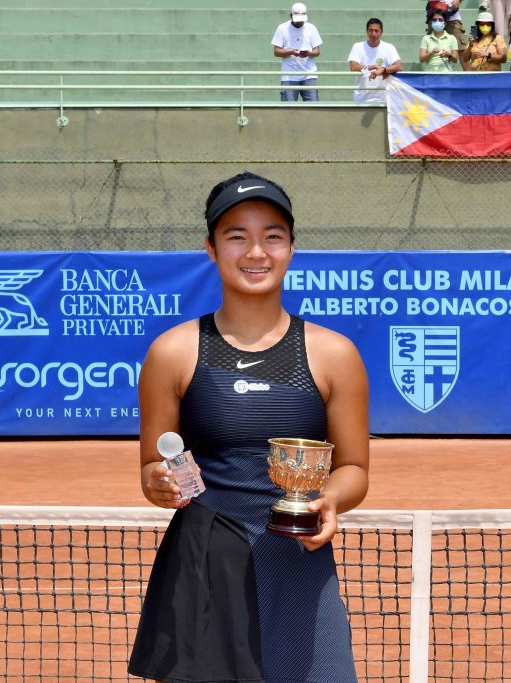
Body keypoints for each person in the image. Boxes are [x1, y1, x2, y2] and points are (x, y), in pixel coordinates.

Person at [128, 172, 370, 683]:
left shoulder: (335, 355)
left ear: (291, 247)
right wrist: (158, 481)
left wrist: (327, 501)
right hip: (205, 570)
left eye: (272, 236)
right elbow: (155, 464)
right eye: (236, 235)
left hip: (300, 561)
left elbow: (353, 468)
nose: (255, 251)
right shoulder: (173, 353)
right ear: (211, 249)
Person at [271, 2, 323, 102]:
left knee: (313, 109)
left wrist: (308, 53)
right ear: (291, 15)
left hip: (309, 74)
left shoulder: (311, 28)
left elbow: (317, 51)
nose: (299, 23)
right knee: (288, 110)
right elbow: (276, 51)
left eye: (301, 20)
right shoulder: (282, 28)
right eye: (297, 20)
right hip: (289, 75)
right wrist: (290, 52)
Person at [347, 17, 403, 103]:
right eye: (370, 30)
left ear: (381, 32)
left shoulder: (389, 47)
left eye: (376, 31)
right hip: (361, 98)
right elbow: (353, 67)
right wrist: (371, 67)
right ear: (367, 31)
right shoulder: (358, 46)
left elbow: (399, 66)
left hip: (383, 98)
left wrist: (383, 70)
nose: (373, 34)